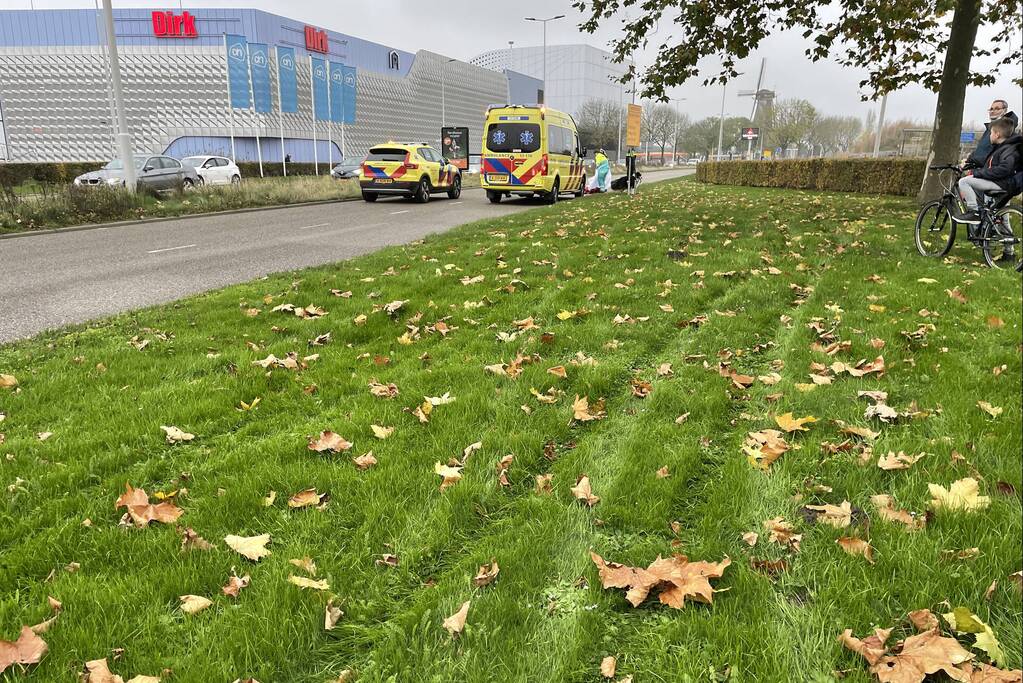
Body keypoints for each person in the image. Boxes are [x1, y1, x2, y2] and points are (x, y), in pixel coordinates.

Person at [952, 117, 1021, 237]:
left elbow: (1004, 169)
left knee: (964, 181)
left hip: (1003, 183)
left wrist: (977, 173)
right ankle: (1008, 253)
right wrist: (970, 164)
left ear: (997, 134)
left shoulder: (1008, 149)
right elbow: (990, 164)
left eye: (991, 132)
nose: (989, 136)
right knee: (1001, 219)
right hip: (1005, 183)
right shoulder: (1002, 147)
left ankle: (974, 213)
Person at [966, 100, 1017, 168]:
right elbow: (981, 149)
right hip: (978, 168)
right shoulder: (989, 129)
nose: (992, 111)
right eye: (991, 109)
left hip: (989, 170)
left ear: (1005, 110)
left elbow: (991, 152)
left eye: (997, 109)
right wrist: (970, 158)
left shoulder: (1006, 130)